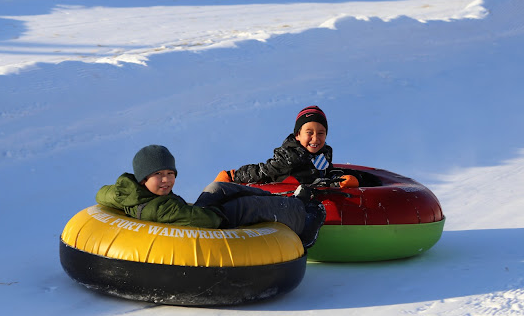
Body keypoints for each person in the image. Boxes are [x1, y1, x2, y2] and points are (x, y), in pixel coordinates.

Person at [96, 144, 325, 248]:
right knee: (248, 206)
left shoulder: (127, 192)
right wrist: (217, 214)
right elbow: (201, 220)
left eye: (170, 173)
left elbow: (102, 194)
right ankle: (303, 221)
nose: (166, 180)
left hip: (195, 215)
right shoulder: (159, 208)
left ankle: (287, 201)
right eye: (158, 175)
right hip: (210, 225)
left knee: (219, 188)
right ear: (143, 179)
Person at [215, 105, 358, 188]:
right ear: (298, 135)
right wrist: (233, 176)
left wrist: (339, 179)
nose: (315, 138)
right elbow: (264, 171)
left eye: (321, 133)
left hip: (310, 196)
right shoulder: (290, 157)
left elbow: (325, 173)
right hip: (284, 200)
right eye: (309, 133)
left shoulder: (323, 154)